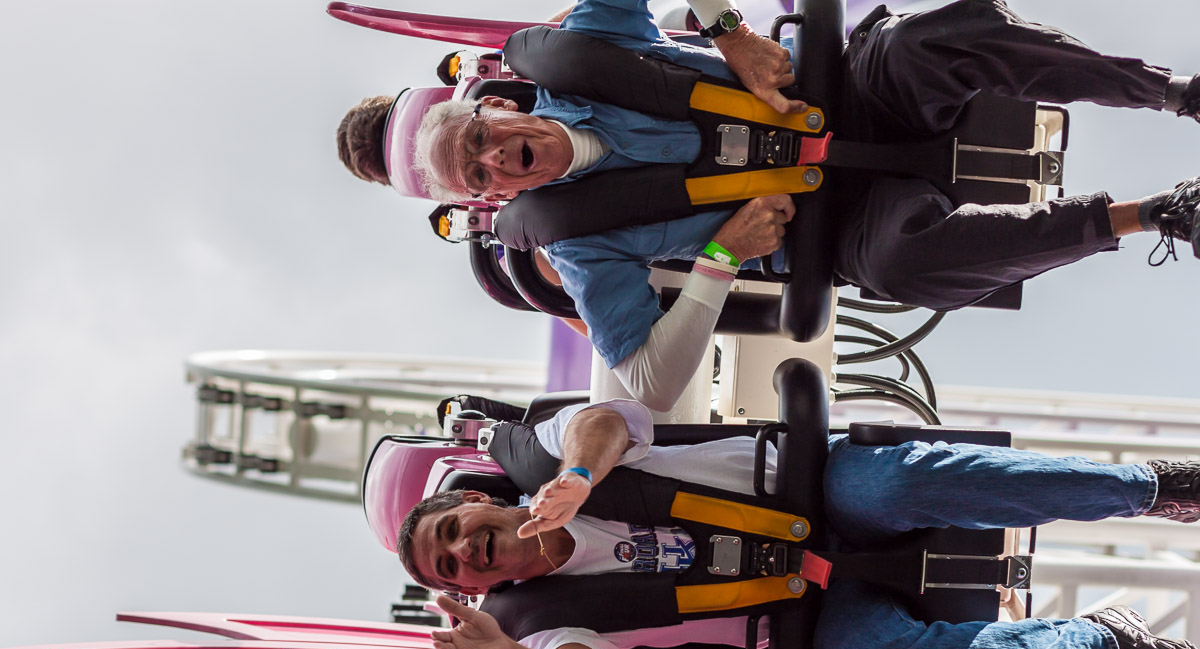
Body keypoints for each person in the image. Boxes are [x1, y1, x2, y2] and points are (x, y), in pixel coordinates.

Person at [340, 0, 1200, 412]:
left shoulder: (581, 48)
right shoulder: (579, 250)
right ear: (487, 201)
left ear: (492, 105)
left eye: (476, 137)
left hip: (848, 95)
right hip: (836, 221)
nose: (492, 157)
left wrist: (727, 31)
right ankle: (1157, 213)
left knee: (927, 45)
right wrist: (719, 260)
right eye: (474, 174)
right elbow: (648, 381)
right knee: (907, 266)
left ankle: (1173, 95)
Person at [370, 398, 1200, 649]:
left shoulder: (546, 454)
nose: (461, 552)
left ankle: (1153, 488)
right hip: (800, 604)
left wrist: (581, 478)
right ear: (474, 589)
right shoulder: (541, 624)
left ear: (475, 500)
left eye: (451, 532)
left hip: (811, 489)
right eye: (451, 570)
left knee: (894, 489)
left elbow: (602, 423)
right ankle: (1116, 644)